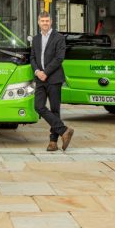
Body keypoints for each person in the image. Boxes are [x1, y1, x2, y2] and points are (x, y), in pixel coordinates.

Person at [30, 11, 74, 151]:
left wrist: (46, 73)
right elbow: (32, 58)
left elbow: (59, 58)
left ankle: (53, 142)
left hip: (54, 78)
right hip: (40, 79)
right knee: (38, 106)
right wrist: (38, 71)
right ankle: (64, 130)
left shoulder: (59, 38)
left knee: (55, 110)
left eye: (47, 21)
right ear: (38, 22)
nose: (45, 23)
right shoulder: (36, 39)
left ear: (51, 22)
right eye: (42, 21)